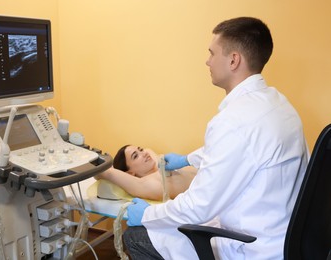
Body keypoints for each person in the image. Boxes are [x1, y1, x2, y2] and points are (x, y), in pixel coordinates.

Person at [123, 17, 309, 260]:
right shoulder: (278, 104)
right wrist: (187, 159)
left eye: (212, 53)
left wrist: (148, 214)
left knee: (135, 235)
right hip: (290, 236)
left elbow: (198, 207)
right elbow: (243, 149)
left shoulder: (232, 122)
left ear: (233, 60)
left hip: (254, 247)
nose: (207, 61)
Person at [95, 145, 196, 201]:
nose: (144, 153)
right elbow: (105, 172)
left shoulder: (158, 164)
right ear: (130, 173)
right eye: (135, 156)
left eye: (140, 150)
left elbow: (148, 150)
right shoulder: (146, 184)